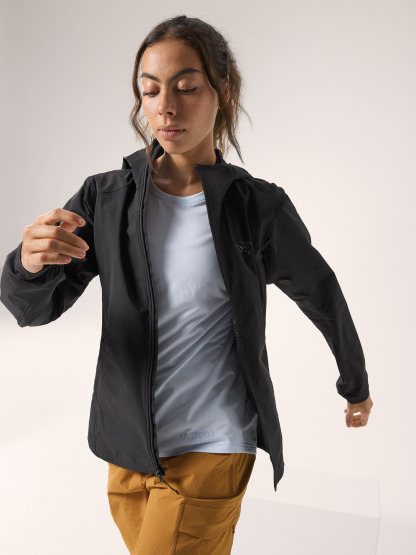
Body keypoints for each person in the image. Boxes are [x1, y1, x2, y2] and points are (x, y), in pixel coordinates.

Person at [0, 14, 373, 555]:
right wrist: (27, 266)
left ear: (223, 91)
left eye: (186, 87)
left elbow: (321, 290)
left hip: (215, 443)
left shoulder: (256, 207)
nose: (166, 107)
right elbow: (32, 310)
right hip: (129, 449)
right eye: (150, 90)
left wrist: (355, 382)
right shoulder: (107, 199)